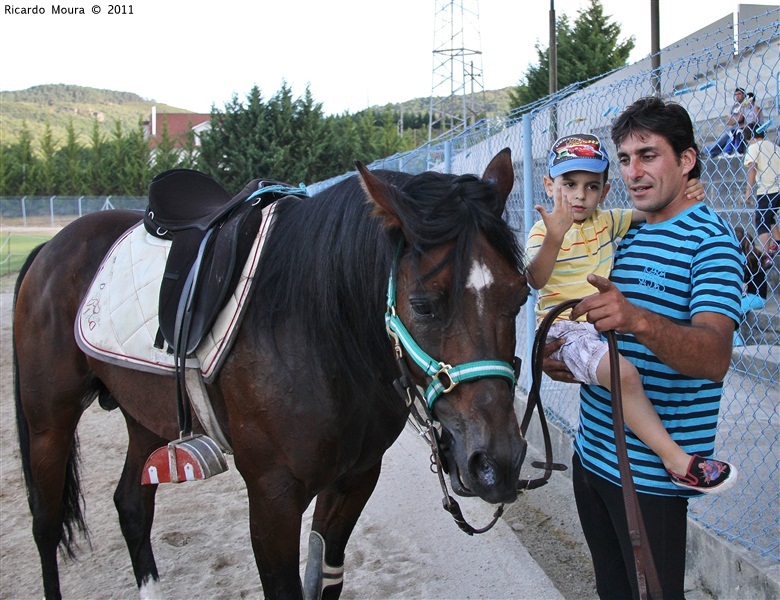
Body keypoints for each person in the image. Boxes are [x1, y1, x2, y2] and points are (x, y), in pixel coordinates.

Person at [542, 97, 745, 599]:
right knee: (612, 590)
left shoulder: (711, 243)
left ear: (687, 159)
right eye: (626, 158)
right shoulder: (623, 233)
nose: (635, 171)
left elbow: (714, 358)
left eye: (649, 155)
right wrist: (564, 362)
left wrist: (637, 320)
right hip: (591, 459)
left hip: (650, 481)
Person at [525, 132, 734, 491]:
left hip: (595, 329)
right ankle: (676, 459)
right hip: (565, 327)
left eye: (592, 186)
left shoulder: (608, 222)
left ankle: (673, 462)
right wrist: (554, 238)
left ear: (604, 192)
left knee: (621, 375)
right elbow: (534, 278)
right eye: (569, 184)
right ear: (549, 185)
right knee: (624, 375)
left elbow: (650, 210)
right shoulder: (544, 230)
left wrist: (690, 192)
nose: (579, 195)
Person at [742, 123, 780, 268]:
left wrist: (748, 192)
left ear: (749, 139)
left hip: (768, 188)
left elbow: (752, 168)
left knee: (761, 219)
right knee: (769, 216)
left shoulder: (754, 147)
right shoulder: (774, 147)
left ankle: (766, 255)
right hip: (778, 186)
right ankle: (777, 242)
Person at [706, 87, 758, 158]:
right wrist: (733, 118)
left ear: (744, 95)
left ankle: (711, 151)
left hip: (744, 127)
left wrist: (732, 116)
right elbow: (728, 122)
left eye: (739, 94)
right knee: (728, 133)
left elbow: (739, 118)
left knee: (730, 132)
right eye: (736, 94)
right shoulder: (735, 106)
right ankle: (713, 151)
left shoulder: (745, 105)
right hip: (737, 127)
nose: (737, 96)